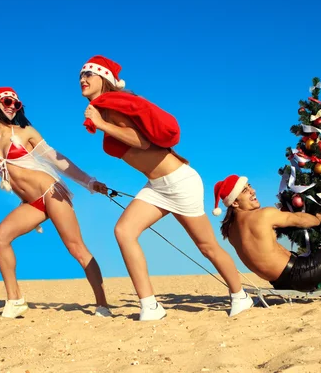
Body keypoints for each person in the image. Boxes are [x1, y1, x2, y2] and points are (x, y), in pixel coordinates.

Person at [79, 56, 253, 320]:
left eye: (89, 74)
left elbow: (143, 143)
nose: (83, 79)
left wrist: (102, 124)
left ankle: (240, 296)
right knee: (124, 231)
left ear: (103, 79)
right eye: (80, 75)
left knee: (206, 246)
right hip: (157, 186)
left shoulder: (112, 109)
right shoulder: (106, 109)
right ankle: (149, 305)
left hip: (180, 181)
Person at [0, 87, 112, 319]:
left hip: (50, 191)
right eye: (7, 101)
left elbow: (57, 160)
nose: (12, 107)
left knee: (76, 248)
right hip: (31, 202)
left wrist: (90, 182)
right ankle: (14, 300)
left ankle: (102, 304)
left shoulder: (24, 131)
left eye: (16, 104)